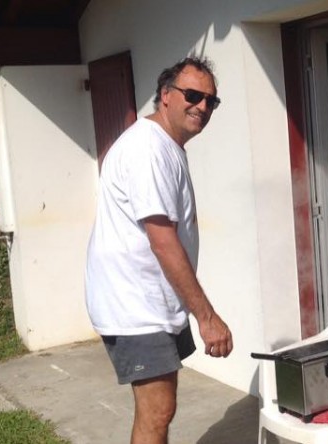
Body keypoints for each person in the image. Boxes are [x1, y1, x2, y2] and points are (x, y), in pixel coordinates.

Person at [84, 56, 233, 444]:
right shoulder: (148, 149)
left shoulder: (165, 145)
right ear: (165, 95)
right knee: (157, 412)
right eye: (193, 95)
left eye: (210, 101)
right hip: (136, 305)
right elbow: (163, 240)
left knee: (159, 411)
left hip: (152, 302)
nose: (202, 106)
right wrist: (208, 317)